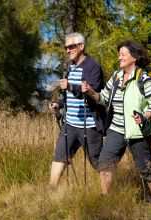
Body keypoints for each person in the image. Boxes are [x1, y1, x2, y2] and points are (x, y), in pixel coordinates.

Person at [81, 40, 151, 204]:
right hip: (115, 130)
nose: (120, 58)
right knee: (105, 162)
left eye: (123, 54)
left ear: (135, 57)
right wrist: (90, 91)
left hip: (137, 131)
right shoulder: (117, 76)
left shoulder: (143, 78)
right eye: (119, 54)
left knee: (145, 166)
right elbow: (102, 98)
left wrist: (144, 116)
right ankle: (105, 200)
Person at [49, 32, 106, 187]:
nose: (68, 50)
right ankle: (50, 191)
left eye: (71, 46)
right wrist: (59, 104)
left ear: (81, 46)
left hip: (90, 126)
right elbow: (69, 96)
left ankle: (106, 195)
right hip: (70, 124)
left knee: (97, 162)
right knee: (59, 156)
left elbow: (91, 93)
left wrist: (70, 86)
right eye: (66, 47)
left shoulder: (93, 67)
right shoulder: (70, 67)